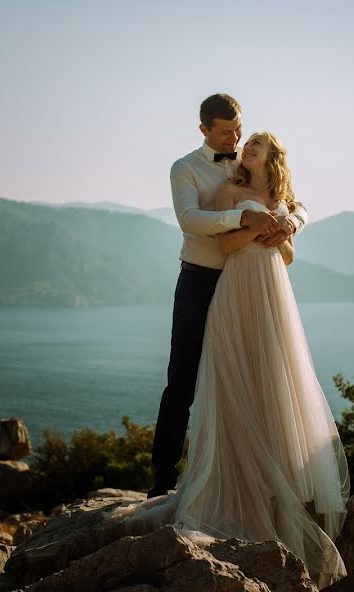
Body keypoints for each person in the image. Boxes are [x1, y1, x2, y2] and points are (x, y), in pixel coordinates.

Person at [112, 127, 350, 589]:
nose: (248, 145)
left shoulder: (282, 195)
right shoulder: (228, 188)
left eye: (256, 142)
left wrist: (281, 231)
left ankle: (274, 482)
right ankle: (223, 485)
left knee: (273, 381)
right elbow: (221, 245)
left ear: (273, 155)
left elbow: (289, 256)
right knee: (230, 383)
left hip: (273, 297)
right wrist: (249, 226)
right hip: (236, 290)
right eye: (245, 141)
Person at [148, 93, 305, 498]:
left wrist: (292, 224)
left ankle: (256, 478)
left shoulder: (248, 161)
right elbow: (189, 220)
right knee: (182, 381)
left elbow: (296, 203)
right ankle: (163, 481)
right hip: (202, 279)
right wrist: (243, 218)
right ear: (203, 129)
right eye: (225, 132)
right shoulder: (185, 168)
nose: (235, 139)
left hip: (251, 283)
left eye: (239, 130)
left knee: (259, 376)